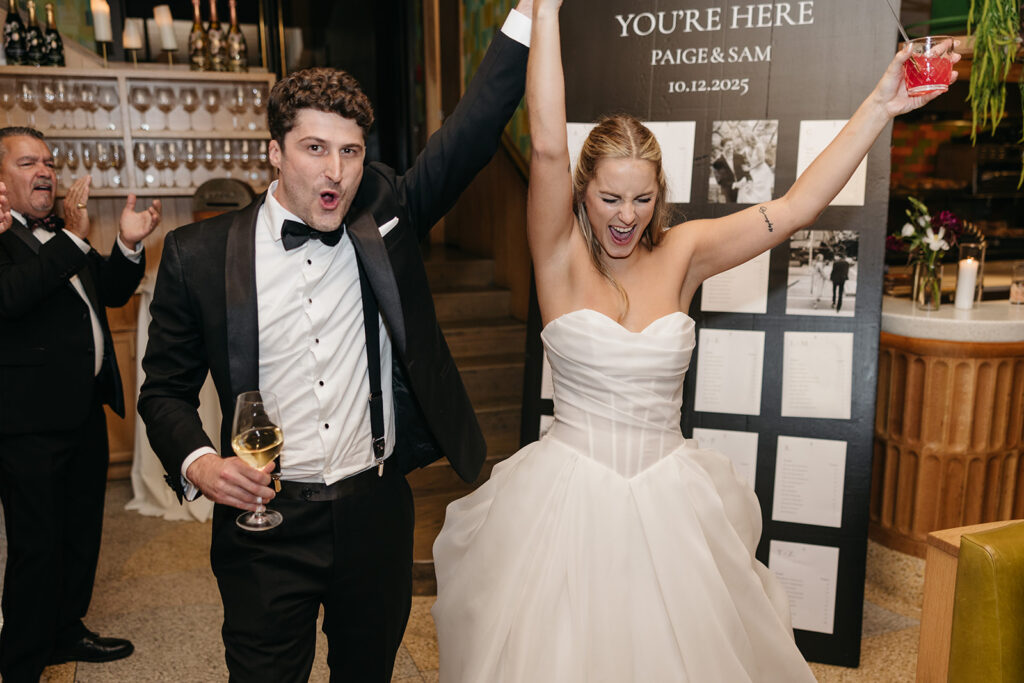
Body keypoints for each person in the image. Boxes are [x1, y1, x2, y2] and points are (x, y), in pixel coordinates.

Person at [430, 2, 957, 680]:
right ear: (581, 192)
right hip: (568, 502)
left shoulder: (684, 253)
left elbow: (794, 207)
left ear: (661, 194)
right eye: (609, 198)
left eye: (642, 199)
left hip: (669, 498)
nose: (625, 217)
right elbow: (549, 144)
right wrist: (548, 10)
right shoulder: (556, 255)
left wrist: (881, 108)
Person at [136, 4, 532, 681]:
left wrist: (530, 14)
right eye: (315, 148)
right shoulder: (196, 255)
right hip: (265, 520)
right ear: (274, 151)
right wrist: (200, 462)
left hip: (374, 511)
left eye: (350, 152)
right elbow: (164, 391)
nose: (337, 173)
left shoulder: (386, 220)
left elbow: (471, 131)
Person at [0, 126, 161, 682]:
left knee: (79, 536)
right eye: (27, 162)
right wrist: (73, 238)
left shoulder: (61, 235)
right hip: (27, 424)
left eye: (48, 160)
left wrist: (129, 244)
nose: (45, 170)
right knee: (35, 548)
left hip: (83, 412)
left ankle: (65, 632)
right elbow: (11, 299)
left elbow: (109, 291)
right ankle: (20, 662)